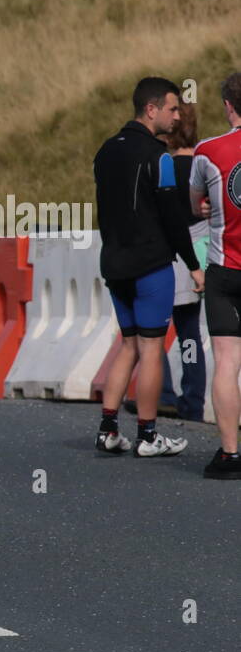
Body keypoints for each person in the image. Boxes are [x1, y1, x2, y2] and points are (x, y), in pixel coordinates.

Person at [92, 77, 201, 457]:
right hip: (150, 263)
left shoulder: (104, 151)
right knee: (152, 349)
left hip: (114, 263)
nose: (177, 116)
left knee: (128, 346)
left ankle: (108, 429)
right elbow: (173, 218)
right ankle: (149, 436)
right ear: (150, 109)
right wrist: (194, 264)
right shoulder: (161, 158)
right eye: (172, 108)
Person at [189, 72, 241, 477]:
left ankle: (229, 454)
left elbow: (196, 205)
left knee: (227, 362)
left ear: (228, 106)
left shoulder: (207, 151)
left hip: (225, 271)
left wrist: (208, 207)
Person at [152, 102, 209, 421]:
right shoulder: (204, 165)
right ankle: (193, 400)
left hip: (170, 257)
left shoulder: (165, 168)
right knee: (190, 334)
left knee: (153, 330)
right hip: (201, 257)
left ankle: (162, 392)